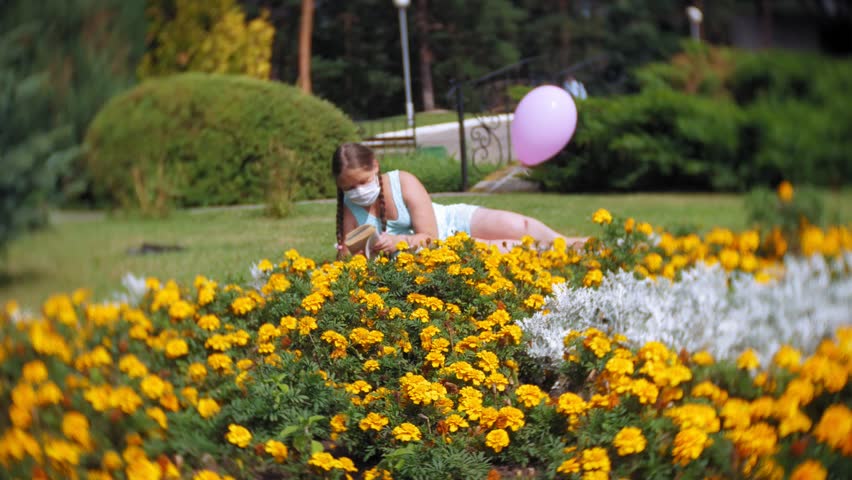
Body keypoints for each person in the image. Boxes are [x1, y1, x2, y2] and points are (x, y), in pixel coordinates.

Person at [332, 142, 586, 258]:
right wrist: (352, 252)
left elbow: (428, 234)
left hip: (453, 220)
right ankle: (574, 255)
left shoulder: (403, 182)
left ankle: (582, 245)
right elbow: (350, 256)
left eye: (363, 181)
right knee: (514, 249)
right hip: (441, 251)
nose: (357, 191)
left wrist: (397, 241)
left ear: (375, 166)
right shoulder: (349, 207)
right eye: (349, 187)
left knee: (525, 229)